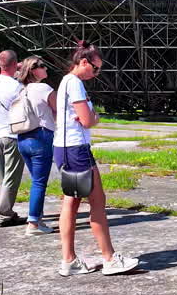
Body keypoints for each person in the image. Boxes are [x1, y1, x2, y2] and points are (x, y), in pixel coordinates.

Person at [54, 41, 138, 276]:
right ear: (83, 62)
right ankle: (109, 258)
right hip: (76, 149)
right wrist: (95, 116)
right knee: (97, 201)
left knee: (71, 203)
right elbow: (87, 120)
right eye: (95, 68)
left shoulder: (65, 82)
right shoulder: (76, 84)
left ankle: (69, 260)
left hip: (63, 148)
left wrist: (88, 116)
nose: (96, 73)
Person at [15, 55, 57, 236]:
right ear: (33, 69)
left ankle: (37, 218)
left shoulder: (22, 90)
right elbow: (60, 109)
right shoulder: (43, 88)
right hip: (41, 136)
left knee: (36, 181)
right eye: (43, 66)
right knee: (39, 182)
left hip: (23, 137)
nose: (46, 69)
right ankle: (33, 223)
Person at [0, 50, 27, 227]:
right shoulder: (16, 86)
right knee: (12, 176)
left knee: (2, 176)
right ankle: (5, 212)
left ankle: (4, 209)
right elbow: (26, 107)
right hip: (12, 135)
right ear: (15, 64)